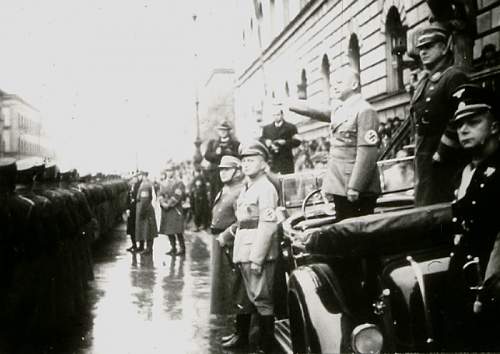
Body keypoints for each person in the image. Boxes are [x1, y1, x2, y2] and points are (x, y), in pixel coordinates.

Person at [445, 84, 500, 350]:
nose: (463, 130)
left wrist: (488, 294)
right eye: (459, 124)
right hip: (464, 283)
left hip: (491, 292)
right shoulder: (465, 171)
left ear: (494, 126)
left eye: (473, 122)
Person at [290, 67, 381, 220]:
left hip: (356, 186)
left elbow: (367, 153)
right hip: (340, 183)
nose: (334, 87)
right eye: (333, 84)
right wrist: (290, 104)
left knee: (358, 232)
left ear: (354, 85)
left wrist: (355, 186)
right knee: (344, 231)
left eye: (339, 82)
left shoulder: (365, 110)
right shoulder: (340, 109)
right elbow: (316, 110)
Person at [410, 22, 469, 206]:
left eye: (429, 47)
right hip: (424, 156)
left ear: (444, 48)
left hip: (445, 158)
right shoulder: (424, 82)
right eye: (421, 48)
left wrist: (443, 150)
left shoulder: (453, 76)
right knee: (424, 207)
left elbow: (462, 112)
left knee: (440, 208)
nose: (423, 52)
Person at [228, 141, 279, 353]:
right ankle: (260, 343)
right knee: (255, 298)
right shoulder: (249, 188)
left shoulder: (266, 188)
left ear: (264, 163)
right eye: (244, 161)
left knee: (263, 300)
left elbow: (267, 226)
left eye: (251, 160)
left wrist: (257, 258)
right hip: (244, 250)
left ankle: (267, 347)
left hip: (257, 253)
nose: (246, 165)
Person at [209, 155, 253, 349]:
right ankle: (237, 330)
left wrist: (226, 235)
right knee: (228, 288)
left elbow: (242, 220)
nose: (222, 173)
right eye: (221, 169)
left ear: (238, 171)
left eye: (227, 169)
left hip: (232, 243)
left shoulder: (240, 191)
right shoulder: (226, 189)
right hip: (221, 243)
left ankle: (242, 334)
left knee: (238, 289)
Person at [260, 103, 301, 174]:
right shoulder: (267, 129)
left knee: (287, 181)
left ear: (282, 115)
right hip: (272, 161)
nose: (276, 117)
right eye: (274, 115)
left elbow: (297, 141)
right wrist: (266, 141)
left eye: (278, 115)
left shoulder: (291, 127)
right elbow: (261, 140)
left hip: (286, 160)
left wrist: (285, 142)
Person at [204, 120, 240, 196]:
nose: (223, 132)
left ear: (228, 131)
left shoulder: (235, 144)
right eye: (221, 130)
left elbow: (238, 157)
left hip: (229, 173)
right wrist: (215, 153)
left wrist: (229, 153)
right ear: (218, 131)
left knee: (230, 194)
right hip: (215, 174)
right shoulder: (213, 143)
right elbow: (207, 156)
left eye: (225, 130)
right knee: (215, 195)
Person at [158, 164, 186, 256]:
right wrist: (162, 203)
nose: (169, 173)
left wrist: (169, 204)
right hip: (166, 210)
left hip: (175, 209)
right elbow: (160, 194)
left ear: (174, 171)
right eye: (167, 171)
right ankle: (173, 247)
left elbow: (177, 195)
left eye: (170, 170)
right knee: (169, 230)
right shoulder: (163, 183)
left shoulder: (179, 182)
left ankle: (182, 248)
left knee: (177, 230)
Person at [135, 171, 157, 255]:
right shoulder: (147, 184)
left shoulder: (145, 185)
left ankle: (148, 249)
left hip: (145, 209)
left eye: (140, 175)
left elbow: (144, 200)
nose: (139, 177)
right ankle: (148, 248)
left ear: (143, 176)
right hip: (147, 209)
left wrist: (141, 212)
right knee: (148, 229)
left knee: (148, 230)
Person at [126, 172, 142, 252]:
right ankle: (134, 245)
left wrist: (134, 201)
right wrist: (127, 208)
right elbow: (127, 198)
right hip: (131, 210)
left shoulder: (139, 186)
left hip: (137, 209)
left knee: (138, 227)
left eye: (134, 178)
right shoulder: (130, 187)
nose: (132, 179)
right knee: (131, 228)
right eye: (132, 178)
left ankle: (140, 246)